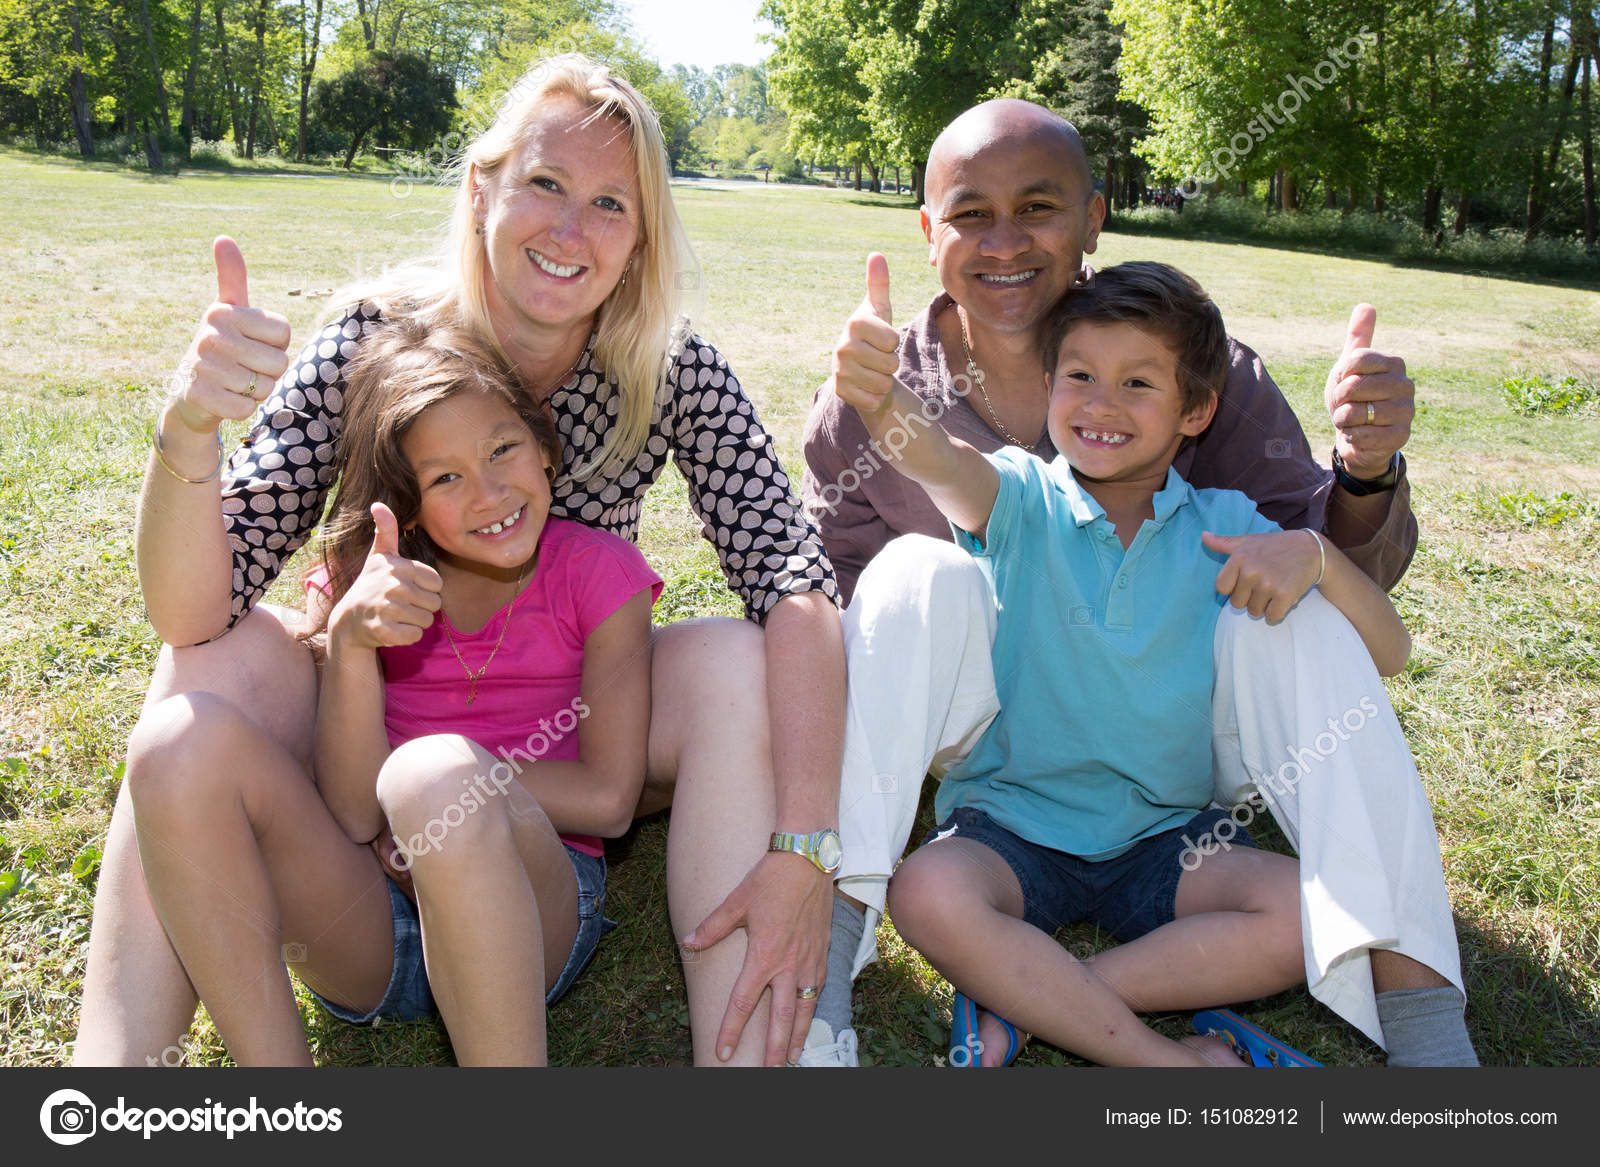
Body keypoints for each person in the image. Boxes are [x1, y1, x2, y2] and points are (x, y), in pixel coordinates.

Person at [77, 54, 844, 1069]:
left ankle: (743, 1062)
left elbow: (791, 578)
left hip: (564, 727)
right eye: (545, 184)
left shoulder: (670, 366)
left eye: (610, 203)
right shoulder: (372, 339)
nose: (570, 230)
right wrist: (189, 425)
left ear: (640, 238)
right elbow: (193, 607)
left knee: (737, 661)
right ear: (482, 185)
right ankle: (113, 1065)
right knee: (205, 671)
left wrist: (803, 847)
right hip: (373, 719)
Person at [799, 98, 1475, 1068]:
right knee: (915, 573)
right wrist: (884, 404)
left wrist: (1358, 482)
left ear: (1091, 218)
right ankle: (827, 961)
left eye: (1037, 206)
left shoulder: (1197, 373)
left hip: (1173, 794)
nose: (1003, 241)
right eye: (968, 213)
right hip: (1002, 760)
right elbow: (910, 506)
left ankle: (1415, 1008)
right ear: (925, 230)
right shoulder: (992, 473)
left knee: (1302, 627)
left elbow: (1363, 620)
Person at [853, 260, 1408, 1066]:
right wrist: (882, 399)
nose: (1101, 403)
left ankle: (1039, 996)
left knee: (1309, 916)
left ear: (1197, 410)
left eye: (1138, 384)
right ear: (1049, 384)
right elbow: (940, 461)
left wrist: (1318, 553)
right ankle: (1172, 1063)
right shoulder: (1018, 498)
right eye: (1079, 374)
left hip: (1168, 839)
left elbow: (1389, 649)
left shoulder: (1228, 526)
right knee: (923, 892)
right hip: (1009, 827)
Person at [130, 318, 660, 1064]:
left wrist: (441, 801)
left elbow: (609, 797)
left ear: (543, 445)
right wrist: (348, 645)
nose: (488, 492)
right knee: (169, 745)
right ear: (408, 504)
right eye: (445, 477)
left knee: (433, 775)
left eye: (502, 448)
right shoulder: (366, 583)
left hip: (530, 915)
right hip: (371, 928)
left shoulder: (600, 573)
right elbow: (349, 812)